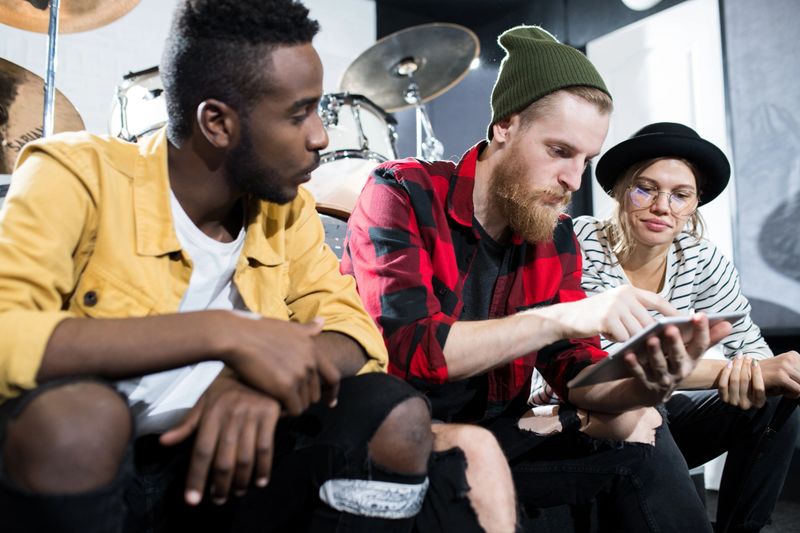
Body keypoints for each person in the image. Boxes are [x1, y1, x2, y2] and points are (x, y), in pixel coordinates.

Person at [0, 1, 513, 531]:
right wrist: (221, 335)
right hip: (100, 468)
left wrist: (258, 378)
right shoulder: (75, 173)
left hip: (223, 464)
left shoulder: (284, 209)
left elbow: (355, 331)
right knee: (78, 423)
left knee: (395, 411)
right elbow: (7, 333)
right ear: (217, 123)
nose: (320, 137)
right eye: (299, 113)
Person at [342, 25, 734, 532]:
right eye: (559, 151)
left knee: (644, 430)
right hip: (401, 439)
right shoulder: (401, 192)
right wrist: (563, 317)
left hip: (501, 433)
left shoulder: (557, 235)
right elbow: (413, 348)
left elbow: (575, 375)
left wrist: (640, 380)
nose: (574, 179)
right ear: (505, 126)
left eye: (585, 160)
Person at [565, 121, 800, 532]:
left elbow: (746, 342)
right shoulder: (579, 242)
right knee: (644, 406)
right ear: (619, 189)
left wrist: (760, 372)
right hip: (596, 417)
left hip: (667, 419)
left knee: (776, 397)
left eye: (680, 195)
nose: (662, 206)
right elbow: (606, 364)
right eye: (646, 188)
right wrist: (735, 371)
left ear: (694, 205)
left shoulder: (702, 259)